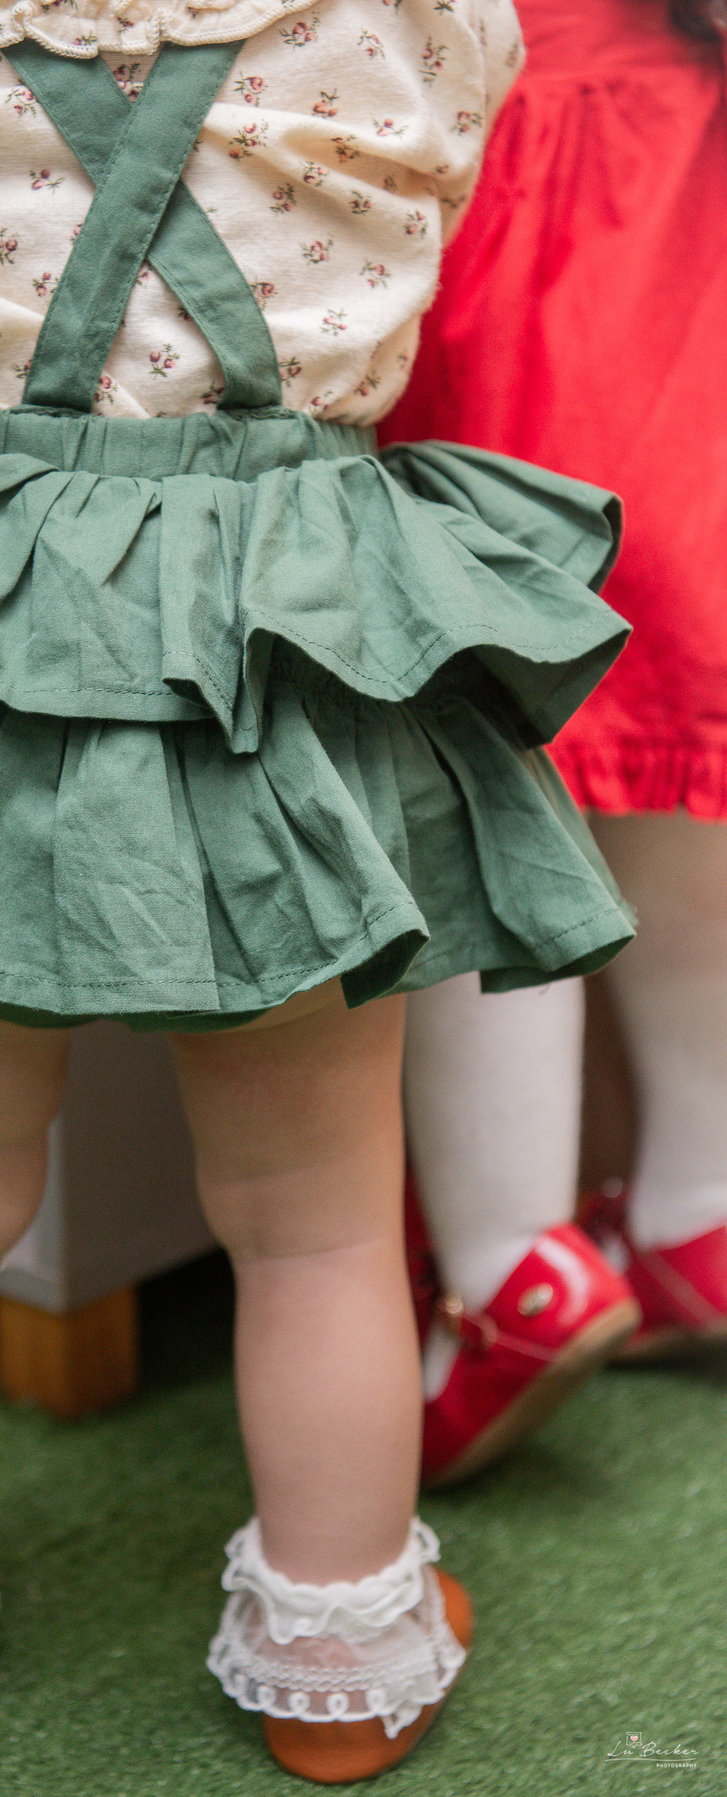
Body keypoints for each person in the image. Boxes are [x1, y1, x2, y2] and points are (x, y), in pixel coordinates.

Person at [0, 0, 635, 1781]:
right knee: (315, 1224)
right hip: (284, 644)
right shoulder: (418, 22)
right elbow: (451, 171)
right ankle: (339, 1644)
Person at [384, 0, 727, 1488]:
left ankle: (508, 1262)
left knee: (476, 722)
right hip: (669, 150)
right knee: (658, 679)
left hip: (489, 140)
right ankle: (700, 1202)